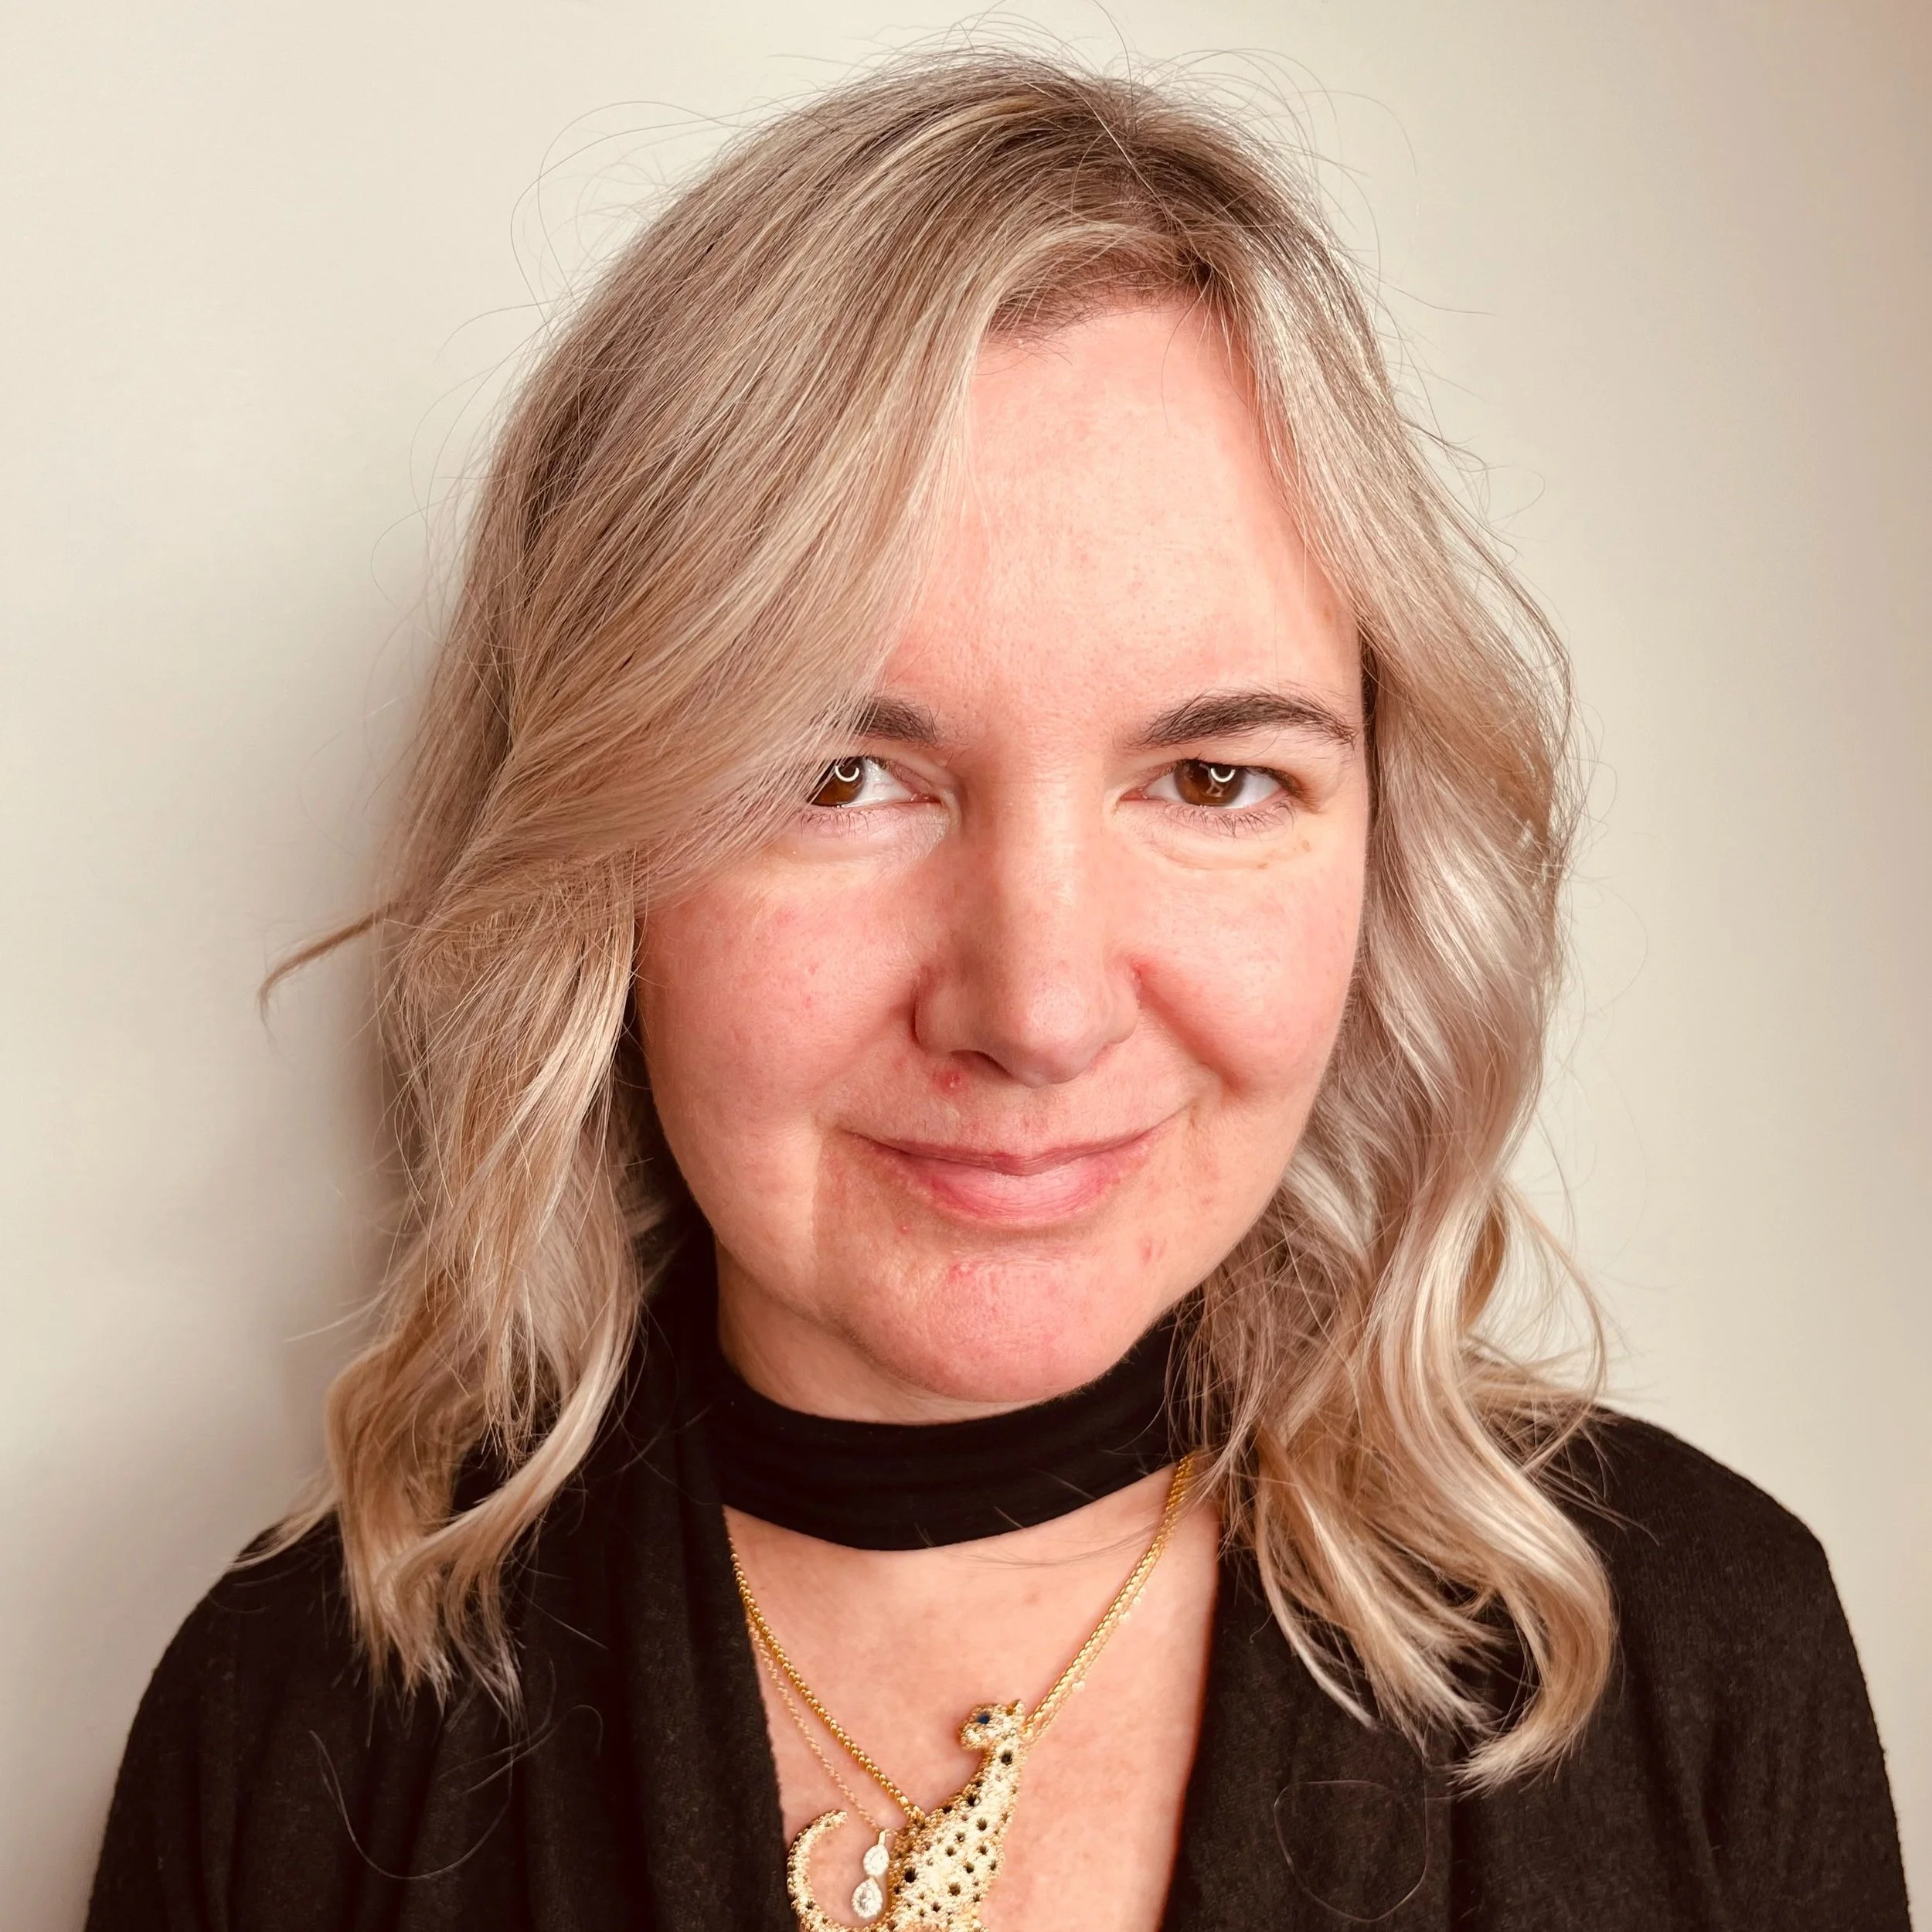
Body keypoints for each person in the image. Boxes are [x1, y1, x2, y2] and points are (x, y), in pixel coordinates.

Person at [86, 50, 1909, 1932]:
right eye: (838, 777)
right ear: (593, 861)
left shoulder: (1704, 1663)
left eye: (1213, 776)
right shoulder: (285, 1732)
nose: (1036, 1012)